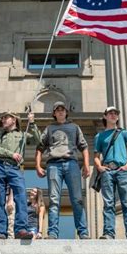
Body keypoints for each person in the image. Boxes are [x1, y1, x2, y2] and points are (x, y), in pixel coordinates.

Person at [35, 101, 90, 240]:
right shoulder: (49, 128)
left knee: (77, 199)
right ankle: (52, 233)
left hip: (71, 163)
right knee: (54, 200)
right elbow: (40, 147)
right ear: (54, 113)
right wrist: (37, 166)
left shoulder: (74, 127)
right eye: (57, 110)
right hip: (53, 165)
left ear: (66, 112)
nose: (60, 112)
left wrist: (86, 165)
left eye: (62, 109)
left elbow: (84, 146)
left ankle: (83, 232)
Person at [93, 106, 127, 240]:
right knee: (108, 203)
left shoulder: (124, 133)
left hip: (122, 169)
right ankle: (109, 233)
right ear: (105, 116)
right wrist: (99, 167)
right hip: (107, 170)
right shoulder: (99, 136)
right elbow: (96, 156)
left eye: (115, 113)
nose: (113, 115)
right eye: (110, 113)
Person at [0, 111, 41, 240]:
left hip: (15, 168)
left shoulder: (22, 135)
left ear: (14, 120)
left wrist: (32, 122)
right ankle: (1, 231)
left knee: (21, 196)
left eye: (6, 117)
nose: (3, 120)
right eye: (2, 118)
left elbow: (38, 140)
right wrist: (11, 154)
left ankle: (21, 229)